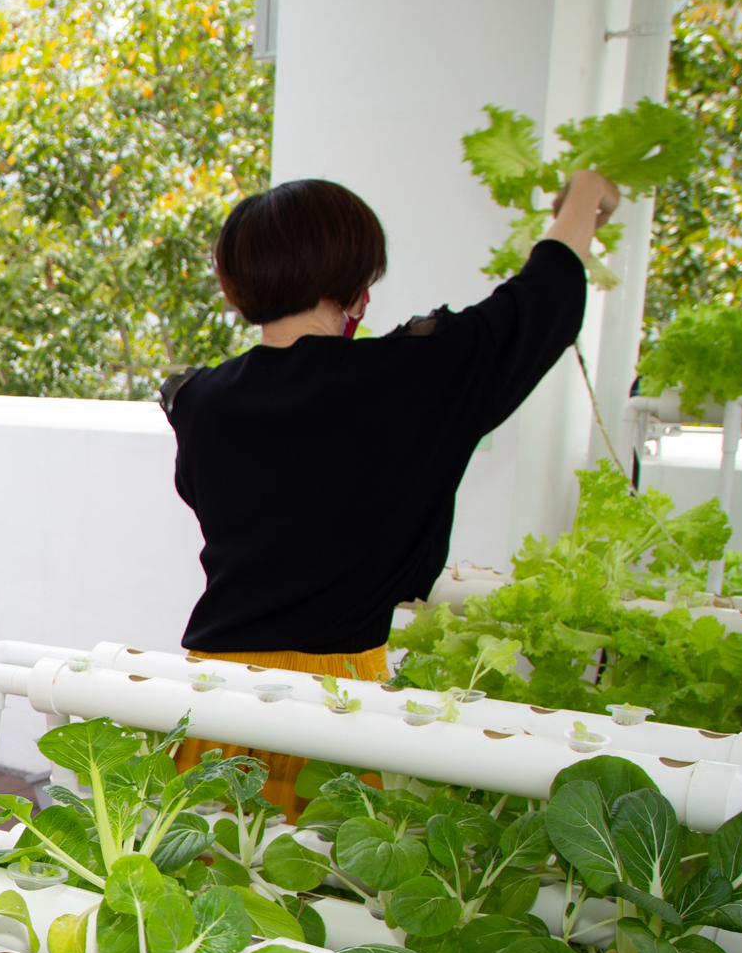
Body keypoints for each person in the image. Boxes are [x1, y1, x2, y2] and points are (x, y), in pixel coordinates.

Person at [162, 171, 621, 816]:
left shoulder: (200, 401)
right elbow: (543, 300)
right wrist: (583, 201)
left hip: (213, 694)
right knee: (314, 897)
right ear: (355, 285)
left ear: (239, 286)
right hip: (336, 705)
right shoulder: (411, 380)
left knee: (198, 896)